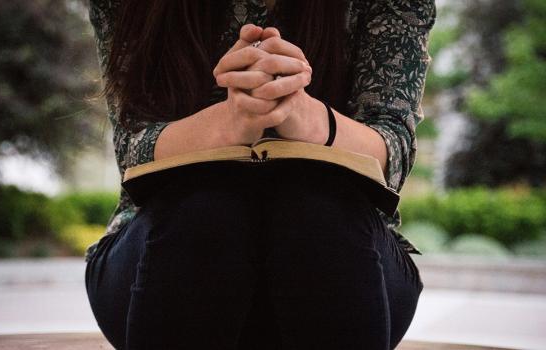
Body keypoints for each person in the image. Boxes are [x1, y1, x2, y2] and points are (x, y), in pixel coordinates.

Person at [84, 0, 436, 349]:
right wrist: (230, 121)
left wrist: (304, 115)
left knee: (317, 212)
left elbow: (394, 153)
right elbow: (131, 151)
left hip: (344, 259)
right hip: (165, 257)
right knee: (206, 210)